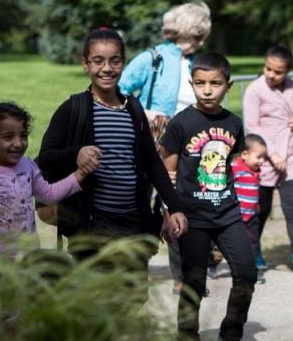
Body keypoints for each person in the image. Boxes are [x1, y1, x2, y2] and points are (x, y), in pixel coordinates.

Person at [37, 29, 187, 305]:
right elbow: (44, 158)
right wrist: (76, 153)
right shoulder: (74, 108)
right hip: (91, 221)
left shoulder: (134, 109)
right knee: (95, 297)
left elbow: (152, 162)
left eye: (115, 61)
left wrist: (174, 206)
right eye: (97, 60)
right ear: (85, 63)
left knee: (133, 296)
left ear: (123, 62)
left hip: (132, 220)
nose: (106, 68)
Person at [160, 52, 260, 341]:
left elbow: (231, 164)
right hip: (191, 216)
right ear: (192, 84)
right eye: (200, 83)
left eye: (215, 83)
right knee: (193, 282)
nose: (207, 90)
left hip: (228, 212)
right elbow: (167, 172)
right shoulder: (181, 123)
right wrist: (168, 212)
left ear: (227, 85)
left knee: (246, 273)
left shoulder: (233, 123)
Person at [120, 2, 211, 292]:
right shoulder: (154, 57)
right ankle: (137, 266)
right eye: (198, 36)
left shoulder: (198, 60)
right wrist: (143, 114)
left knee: (179, 205)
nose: (201, 42)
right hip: (153, 140)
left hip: (190, 144)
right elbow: (119, 88)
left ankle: (182, 278)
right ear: (185, 33)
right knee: (143, 205)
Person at [0, 102, 97, 258]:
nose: (18, 143)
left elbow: (49, 195)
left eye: (23, 136)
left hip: (29, 257)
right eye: (8, 137)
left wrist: (81, 173)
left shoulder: (27, 165)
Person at [243, 46, 293, 275]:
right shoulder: (255, 90)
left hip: (290, 157)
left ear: (288, 71)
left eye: (278, 71)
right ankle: (252, 251)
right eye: (268, 69)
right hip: (263, 160)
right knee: (260, 211)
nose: (271, 75)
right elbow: (252, 126)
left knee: (292, 209)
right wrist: (271, 153)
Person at [231, 134, 269, 284]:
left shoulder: (256, 171)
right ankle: (211, 266)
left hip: (251, 216)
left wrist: (256, 204)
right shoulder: (234, 169)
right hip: (235, 217)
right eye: (259, 157)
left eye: (264, 157)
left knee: (253, 246)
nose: (262, 161)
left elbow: (254, 189)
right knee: (219, 247)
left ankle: (252, 273)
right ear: (244, 154)